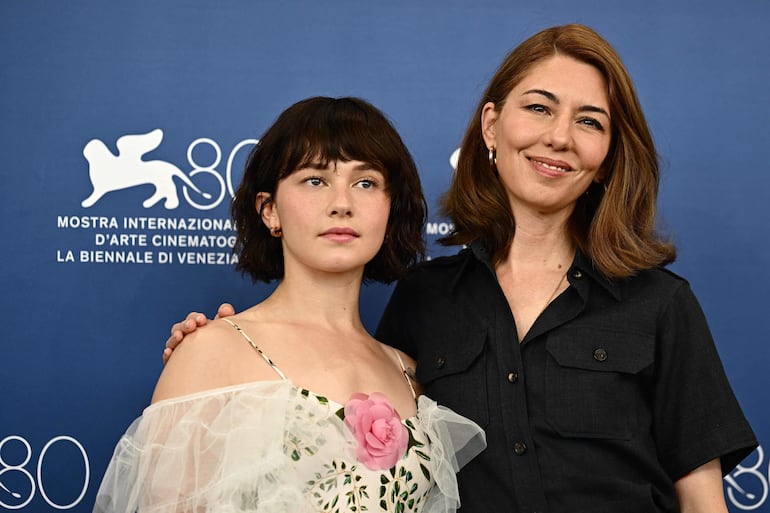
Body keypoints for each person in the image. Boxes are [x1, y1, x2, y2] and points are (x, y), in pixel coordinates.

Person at [164, 25, 758, 512]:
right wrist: (214, 356)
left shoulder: (659, 304)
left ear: (606, 159)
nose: (559, 137)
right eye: (539, 108)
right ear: (493, 127)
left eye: (589, 121)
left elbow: (702, 495)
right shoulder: (423, 301)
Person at [94, 96, 486, 513]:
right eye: (315, 180)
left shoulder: (409, 373)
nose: (342, 203)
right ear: (269, 211)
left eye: (365, 182)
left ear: (390, 211)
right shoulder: (211, 352)